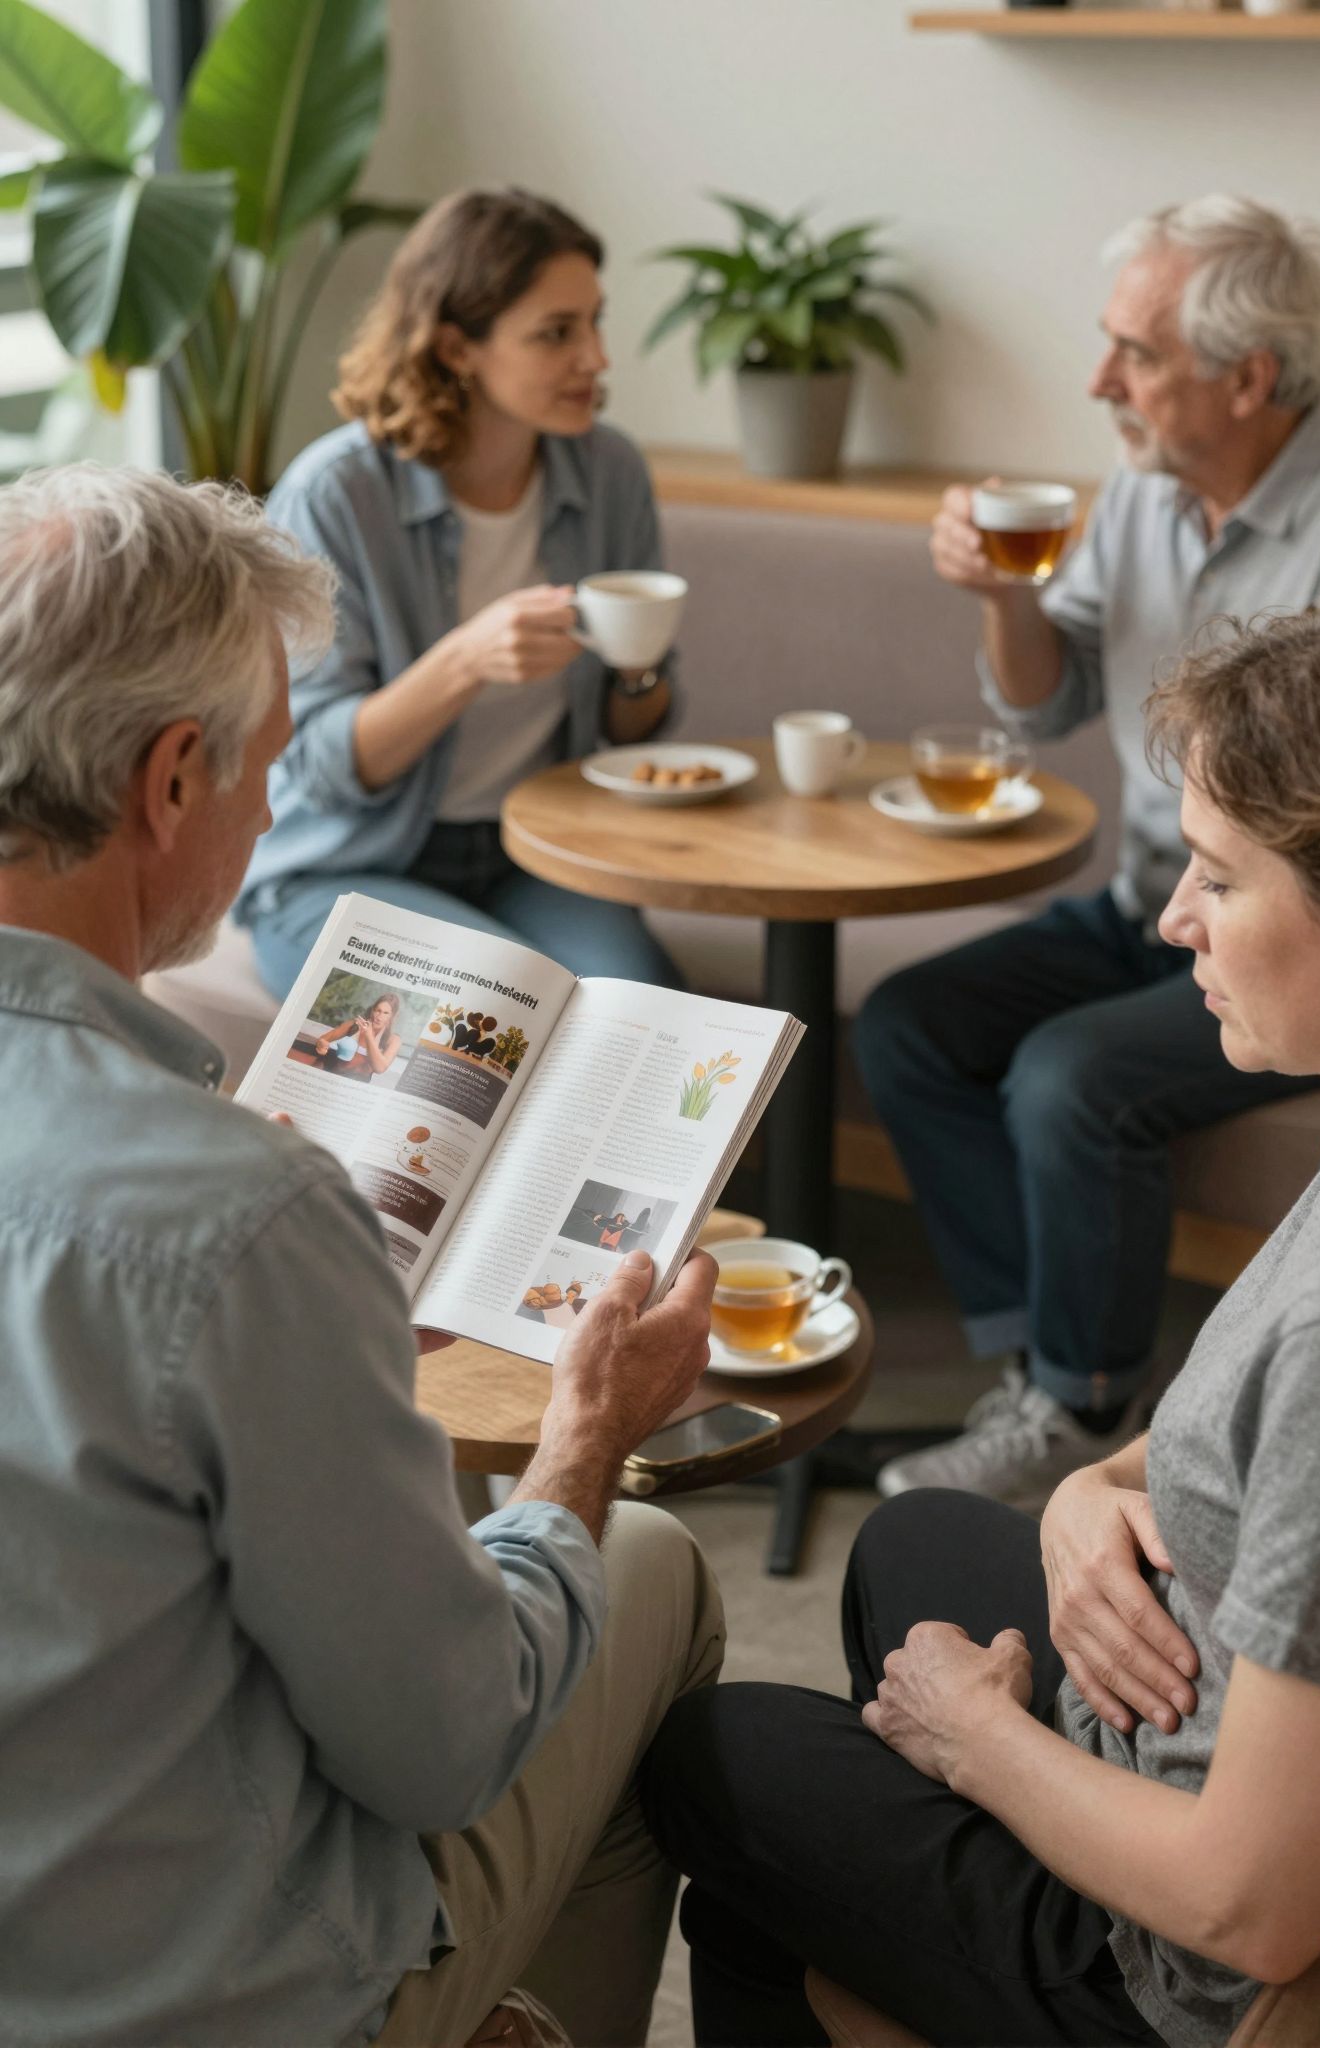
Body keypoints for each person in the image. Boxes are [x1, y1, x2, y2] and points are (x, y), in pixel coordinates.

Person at [644, 588, 1320, 2048]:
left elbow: (1258, 1903)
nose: (1176, 917)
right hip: (1207, 1712)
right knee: (913, 1546)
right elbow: (1247, 1433)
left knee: (720, 1759)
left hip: (1182, 1971)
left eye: (1221, 878)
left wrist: (980, 1741)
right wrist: (1086, 1495)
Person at [0, 463, 723, 2048]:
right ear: (171, 780)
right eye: (265, 761)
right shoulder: (234, 1211)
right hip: (187, 2001)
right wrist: (586, 1439)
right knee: (644, 1574)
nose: (275, 808)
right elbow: (447, 1745)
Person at [858, 195, 1320, 1508]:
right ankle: (1052, 1361)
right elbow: (1041, 703)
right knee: (908, 1022)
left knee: (1070, 1076)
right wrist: (1004, 596)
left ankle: (1076, 1406)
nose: (1100, 382)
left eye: (1133, 354)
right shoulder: (1144, 491)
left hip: (1301, 934)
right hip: (1155, 898)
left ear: (1248, 377)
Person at [236, 186, 681, 999]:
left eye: (595, 322)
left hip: (534, 851)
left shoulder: (609, 473)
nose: (596, 358)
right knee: (500, 1018)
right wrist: (467, 659)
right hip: (347, 866)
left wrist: (639, 668)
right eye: (557, 333)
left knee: (643, 1015)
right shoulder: (337, 496)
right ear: (456, 348)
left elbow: (636, 726)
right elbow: (323, 764)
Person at [315, 988, 403, 1076]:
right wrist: (322, 1046)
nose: (379, 1017)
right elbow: (322, 1040)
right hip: (329, 1072)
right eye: (378, 1011)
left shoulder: (393, 1040)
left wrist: (368, 1035)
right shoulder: (354, 1026)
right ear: (373, 1011)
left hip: (356, 1081)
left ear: (393, 1016)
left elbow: (379, 1068)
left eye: (386, 1013)